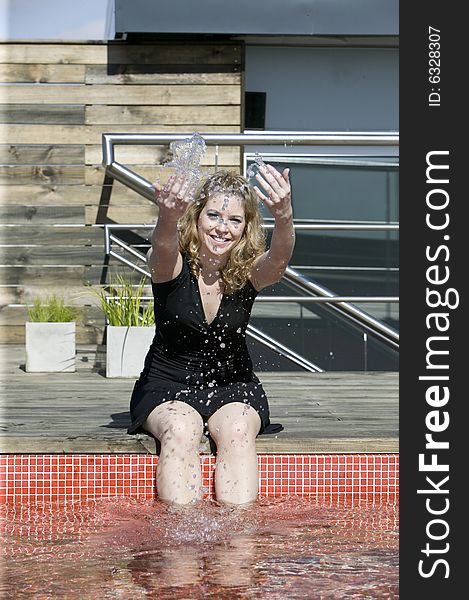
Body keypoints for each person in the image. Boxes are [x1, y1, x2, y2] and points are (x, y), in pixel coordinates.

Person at [127, 163, 295, 506]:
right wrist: (167, 216)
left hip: (234, 385)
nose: (222, 228)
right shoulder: (171, 265)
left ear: (246, 228)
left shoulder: (248, 272)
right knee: (182, 428)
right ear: (197, 218)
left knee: (236, 429)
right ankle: (181, 538)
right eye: (214, 215)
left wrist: (284, 216)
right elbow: (161, 245)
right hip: (166, 385)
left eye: (234, 220)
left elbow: (278, 260)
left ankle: (238, 540)